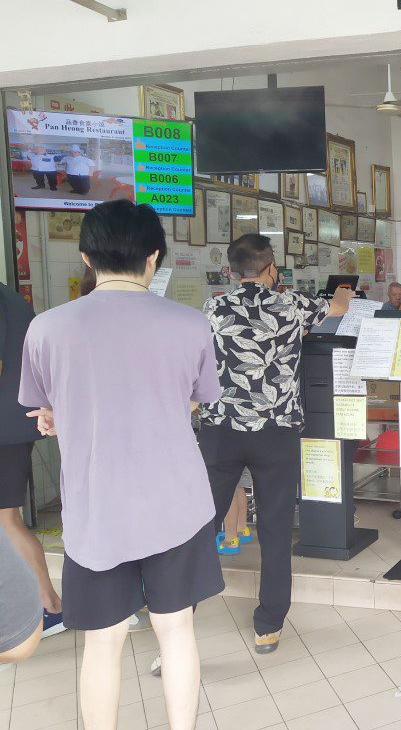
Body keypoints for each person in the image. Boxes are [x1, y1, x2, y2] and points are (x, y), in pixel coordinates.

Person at [19, 200, 224, 729]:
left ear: (87, 257)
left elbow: (47, 407)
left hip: (96, 508)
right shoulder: (190, 324)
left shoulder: (46, 328)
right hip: (175, 502)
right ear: (154, 257)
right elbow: (195, 400)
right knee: (176, 629)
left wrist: (64, 418)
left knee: (102, 642)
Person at [199, 234, 353, 656]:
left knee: (202, 524)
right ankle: (268, 625)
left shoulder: (213, 307)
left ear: (231, 272)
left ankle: (181, 611)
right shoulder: (293, 305)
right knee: (275, 526)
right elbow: (338, 307)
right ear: (273, 270)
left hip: (221, 430)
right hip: (276, 432)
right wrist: (342, 291)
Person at [0, 281, 63, 636]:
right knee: (7, 520)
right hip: (14, 423)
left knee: (6, 521)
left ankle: (50, 607)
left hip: (5, 429)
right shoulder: (11, 298)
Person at [0, 529, 43, 664]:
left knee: (11, 523)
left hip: (18, 630)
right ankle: (51, 604)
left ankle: (51, 604)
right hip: (20, 628)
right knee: (12, 523)